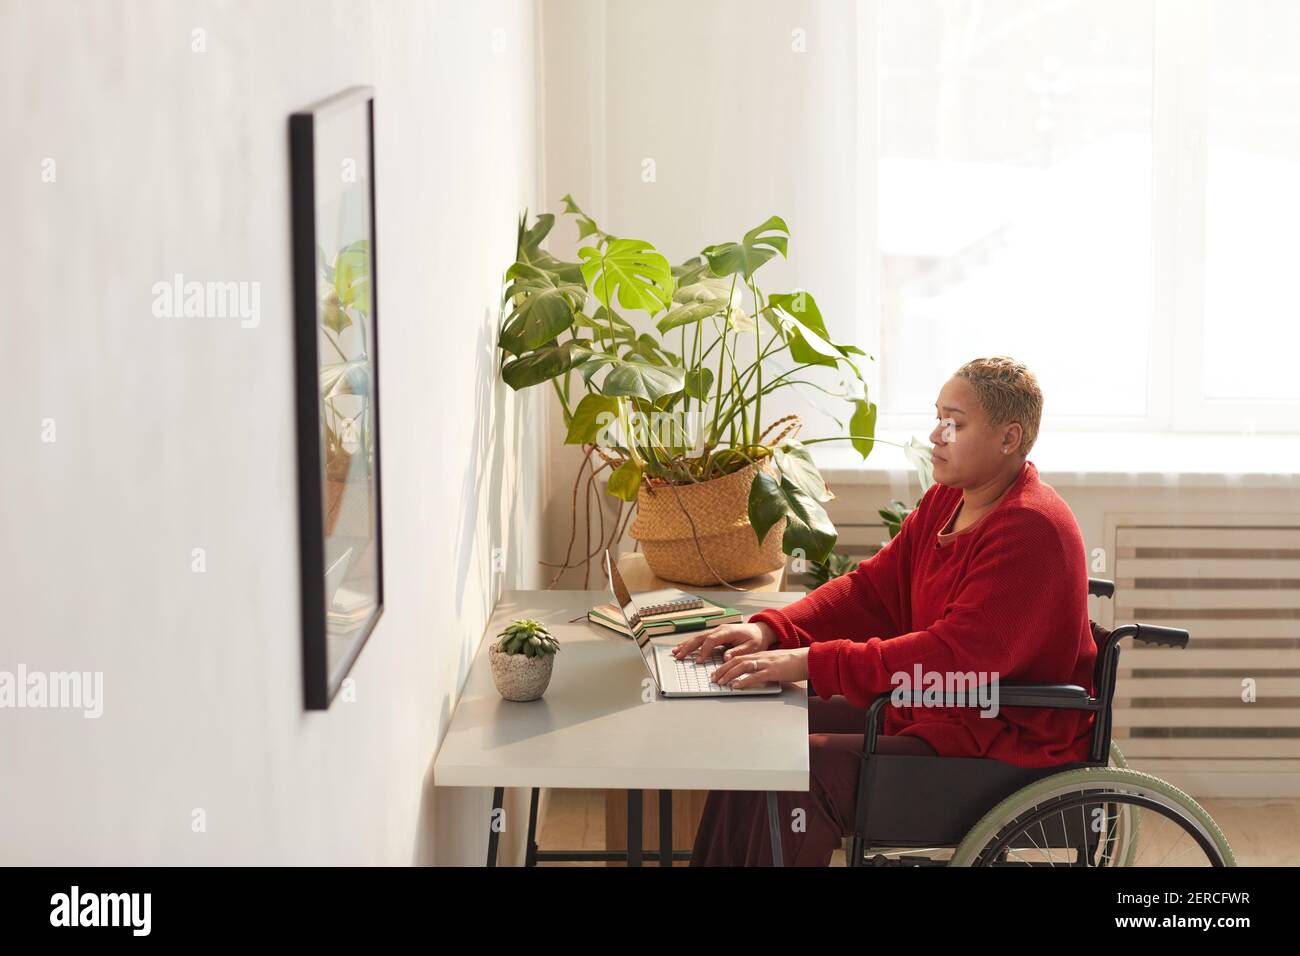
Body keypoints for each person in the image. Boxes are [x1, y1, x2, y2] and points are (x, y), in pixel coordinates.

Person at [675, 356, 1097, 866]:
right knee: (757, 731)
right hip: (939, 712)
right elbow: (871, 590)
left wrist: (811, 662)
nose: (935, 435)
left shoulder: (1030, 528)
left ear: (1009, 439)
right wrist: (772, 630)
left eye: (954, 423)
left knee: (797, 770)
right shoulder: (948, 500)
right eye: (937, 416)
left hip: (1000, 740)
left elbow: (957, 657)